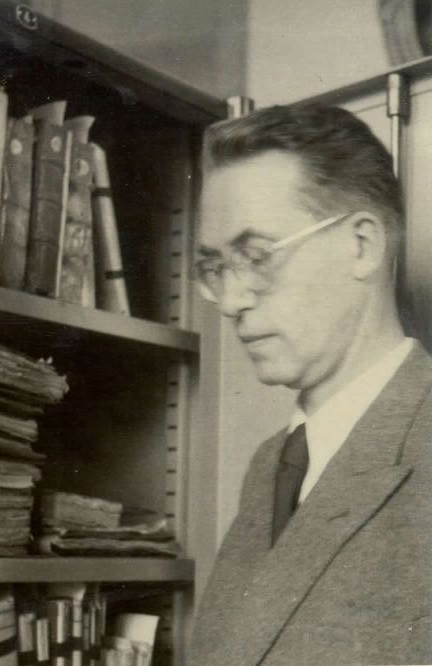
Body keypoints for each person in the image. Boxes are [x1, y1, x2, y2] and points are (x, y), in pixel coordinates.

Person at [188, 104, 432, 666]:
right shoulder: (270, 466)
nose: (231, 301)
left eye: (256, 256)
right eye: (215, 268)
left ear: (361, 245)